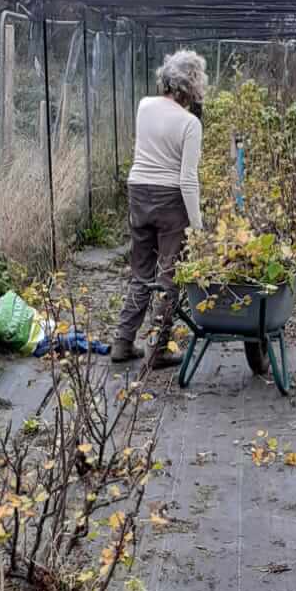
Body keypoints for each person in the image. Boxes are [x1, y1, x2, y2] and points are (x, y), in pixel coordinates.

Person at [111, 47, 207, 367]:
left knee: (141, 273)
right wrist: (196, 224)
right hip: (170, 201)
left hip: (138, 192)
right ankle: (156, 349)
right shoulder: (190, 123)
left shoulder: (144, 106)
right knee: (169, 276)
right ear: (192, 84)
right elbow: (187, 179)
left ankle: (123, 342)